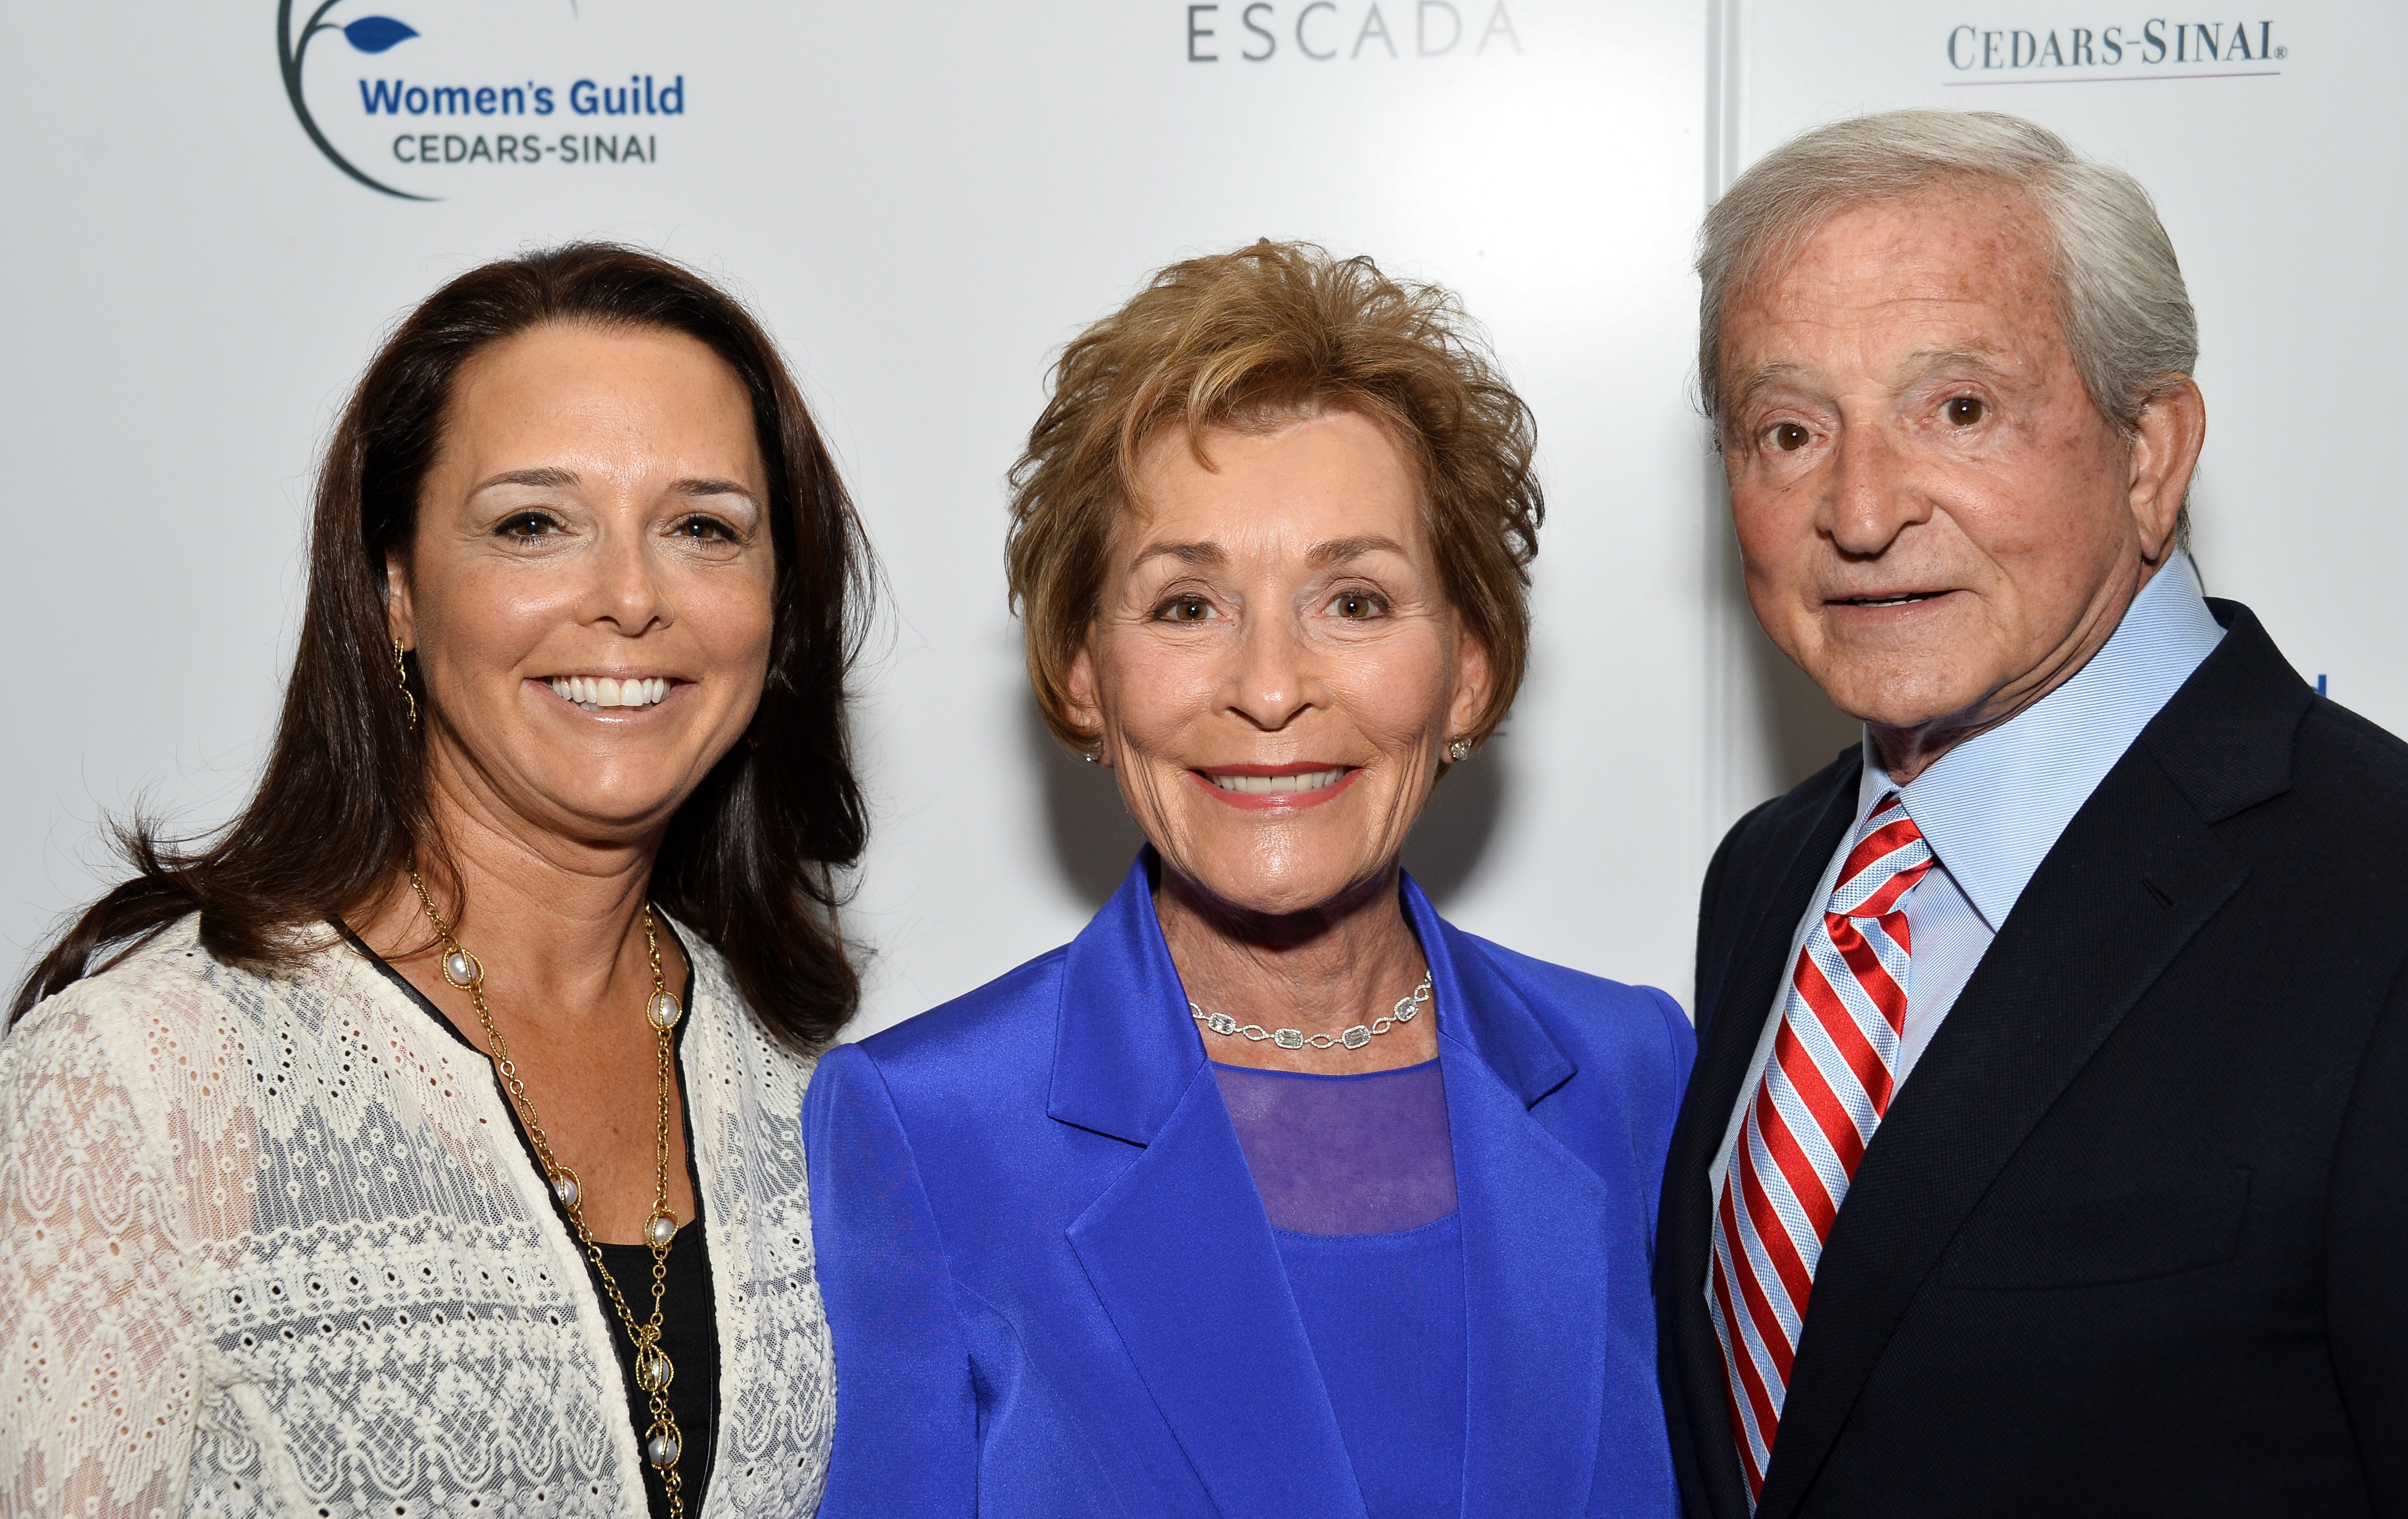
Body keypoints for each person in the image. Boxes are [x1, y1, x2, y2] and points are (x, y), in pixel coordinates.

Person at [805, 240, 1693, 1519]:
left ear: (1473, 671)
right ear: (1082, 676)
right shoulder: (927, 1127)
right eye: (1186, 607)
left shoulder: (1628, 1074)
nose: (1272, 688)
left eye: (1356, 600)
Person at [0, 244, 870, 1518]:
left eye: (702, 528)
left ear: (778, 603)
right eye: (533, 524)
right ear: (397, 591)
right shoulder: (139, 1082)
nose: (630, 596)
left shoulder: (816, 1088)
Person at [1656, 110, 2408, 1517]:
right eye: (1789, 429)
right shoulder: (1768, 880)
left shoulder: (2380, 897)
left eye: (1958, 410)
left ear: (2150, 453)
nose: (1862, 510)